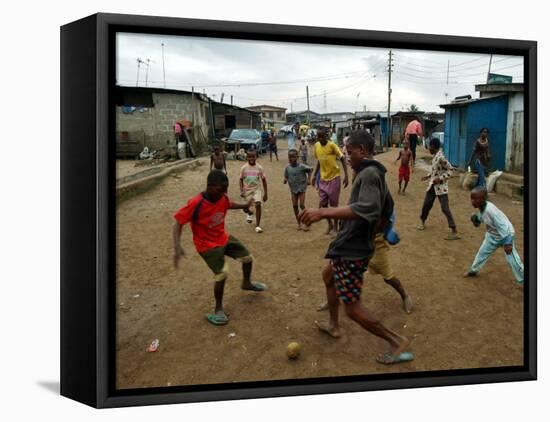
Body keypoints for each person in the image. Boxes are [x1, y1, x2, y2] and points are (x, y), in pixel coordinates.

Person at [299, 130, 414, 365]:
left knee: (352, 309)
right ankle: (333, 325)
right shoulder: (371, 172)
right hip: (350, 244)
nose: (346, 155)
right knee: (328, 275)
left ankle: (397, 341)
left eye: (349, 151)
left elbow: (369, 208)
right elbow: (385, 208)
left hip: (354, 250)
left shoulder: (370, 174)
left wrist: (322, 212)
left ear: (362, 151)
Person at [172, 170, 267, 326]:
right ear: (209, 186)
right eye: (221, 189)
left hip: (222, 237)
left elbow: (229, 204)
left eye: (226, 189)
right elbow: (178, 223)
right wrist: (177, 246)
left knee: (247, 258)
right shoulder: (196, 203)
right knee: (222, 273)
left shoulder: (221, 197)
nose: (224, 193)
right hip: (206, 244)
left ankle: (247, 282)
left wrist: (244, 206)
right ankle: (218, 310)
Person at [464, 187, 524, 284]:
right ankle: (473, 270)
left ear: (484, 199)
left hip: (506, 236)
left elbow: (505, 227)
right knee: (481, 254)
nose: (472, 201)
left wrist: (508, 243)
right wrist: (475, 219)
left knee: (513, 260)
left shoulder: (491, 210)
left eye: (475, 199)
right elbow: (478, 223)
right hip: (492, 236)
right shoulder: (482, 208)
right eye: (471, 198)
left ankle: (523, 278)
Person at [417, 137, 460, 240]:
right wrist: (428, 176)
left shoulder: (441, 157)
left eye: (429, 147)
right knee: (426, 204)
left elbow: (450, 170)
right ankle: (422, 221)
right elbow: (435, 171)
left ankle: (454, 230)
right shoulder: (436, 156)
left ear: (433, 147)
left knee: (445, 208)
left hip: (441, 187)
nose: (428, 149)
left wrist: (440, 179)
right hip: (433, 185)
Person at [313, 129, 350, 236]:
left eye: (322, 137)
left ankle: (335, 227)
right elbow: (319, 161)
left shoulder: (332, 145)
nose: (320, 139)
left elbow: (342, 158)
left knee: (334, 206)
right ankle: (329, 224)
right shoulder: (316, 146)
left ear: (326, 136)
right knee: (322, 205)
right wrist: (315, 175)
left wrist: (346, 175)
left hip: (334, 178)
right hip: (323, 179)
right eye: (318, 137)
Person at [240, 149, 268, 233]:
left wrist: (266, 193)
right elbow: (241, 180)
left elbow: (263, 180)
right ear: (247, 157)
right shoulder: (243, 168)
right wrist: (241, 190)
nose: (251, 158)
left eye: (253, 156)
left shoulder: (259, 168)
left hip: (256, 190)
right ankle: (250, 213)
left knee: (258, 204)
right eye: (249, 157)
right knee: (245, 208)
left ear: (256, 157)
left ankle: (258, 225)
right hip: (247, 191)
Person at [284, 149, 313, 231]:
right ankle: (299, 223)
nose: (291, 159)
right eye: (289, 157)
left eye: (293, 157)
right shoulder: (287, 167)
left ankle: (307, 221)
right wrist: (285, 179)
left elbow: (310, 170)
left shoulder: (302, 166)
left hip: (302, 188)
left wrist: (309, 180)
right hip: (293, 189)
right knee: (294, 206)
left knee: (301, 205)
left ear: (297, 157)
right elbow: (286, 175)